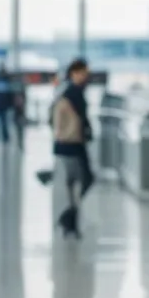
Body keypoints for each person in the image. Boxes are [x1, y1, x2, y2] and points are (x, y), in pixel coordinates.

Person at [52, 58, 94, 238]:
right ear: (74, 73)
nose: (86, 76)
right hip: (70, 143)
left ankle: (70, 218)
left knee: (80, 180)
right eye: (82, 72)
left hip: (75, 143)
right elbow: (60, 120)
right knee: (79, 180)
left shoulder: (74, 92)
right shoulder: (71, 94)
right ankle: (69, 219)